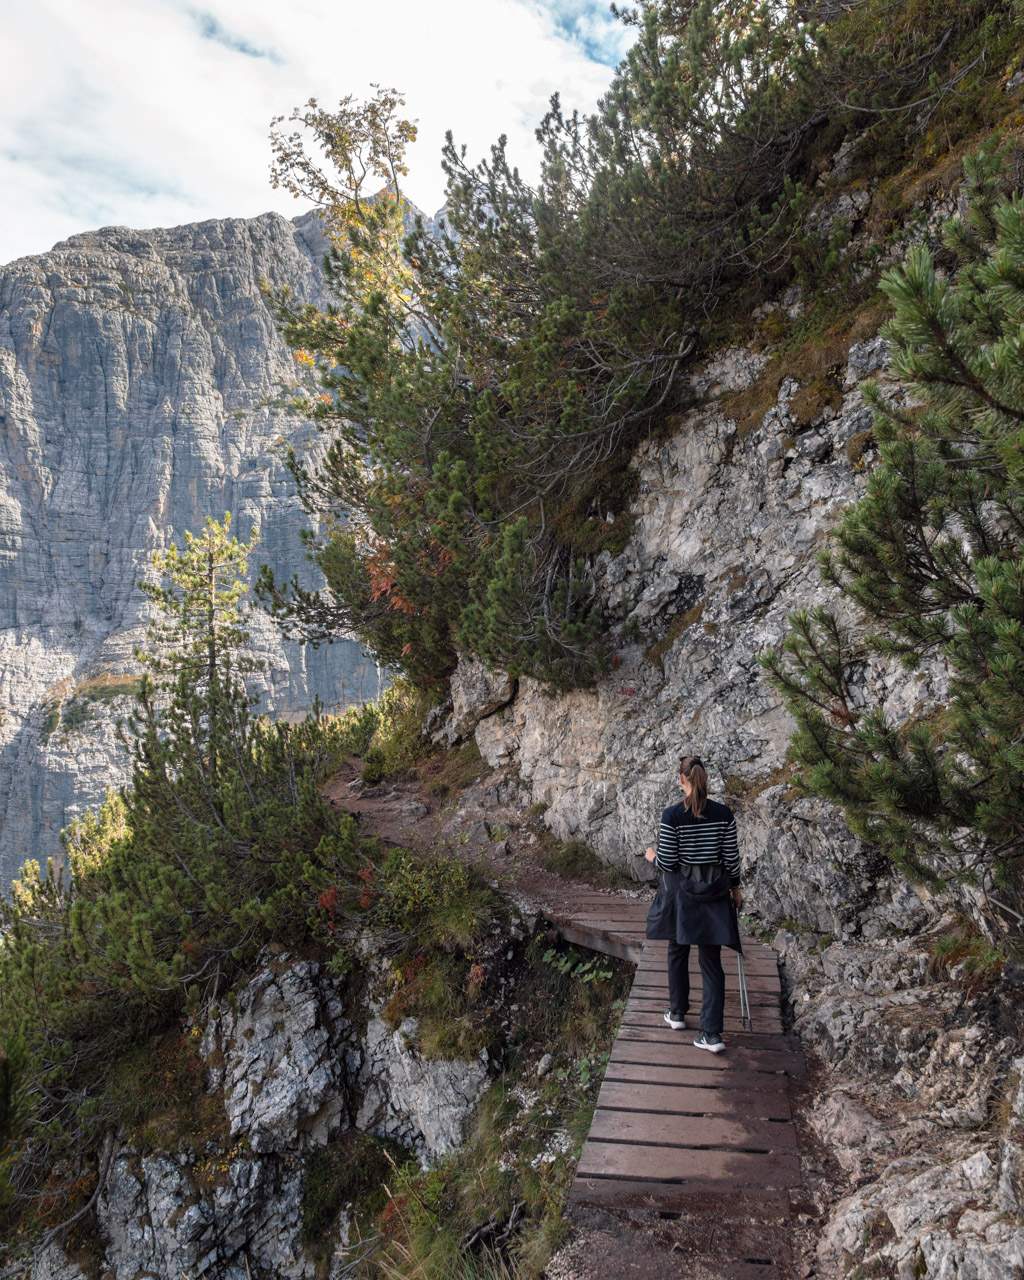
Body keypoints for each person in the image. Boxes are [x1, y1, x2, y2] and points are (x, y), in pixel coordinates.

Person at [644, 754, 742, 1054]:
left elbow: (669, 862)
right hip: (713, 893)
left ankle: (677, 1013)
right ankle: (711, 1034)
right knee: (711, 962)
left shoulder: (672, 816)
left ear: (681, 780)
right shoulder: (724, 814)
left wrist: (651, 857)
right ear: (704, 779)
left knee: (677, 948)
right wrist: (735, 888)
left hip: (682, 894)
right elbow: (731, 859)